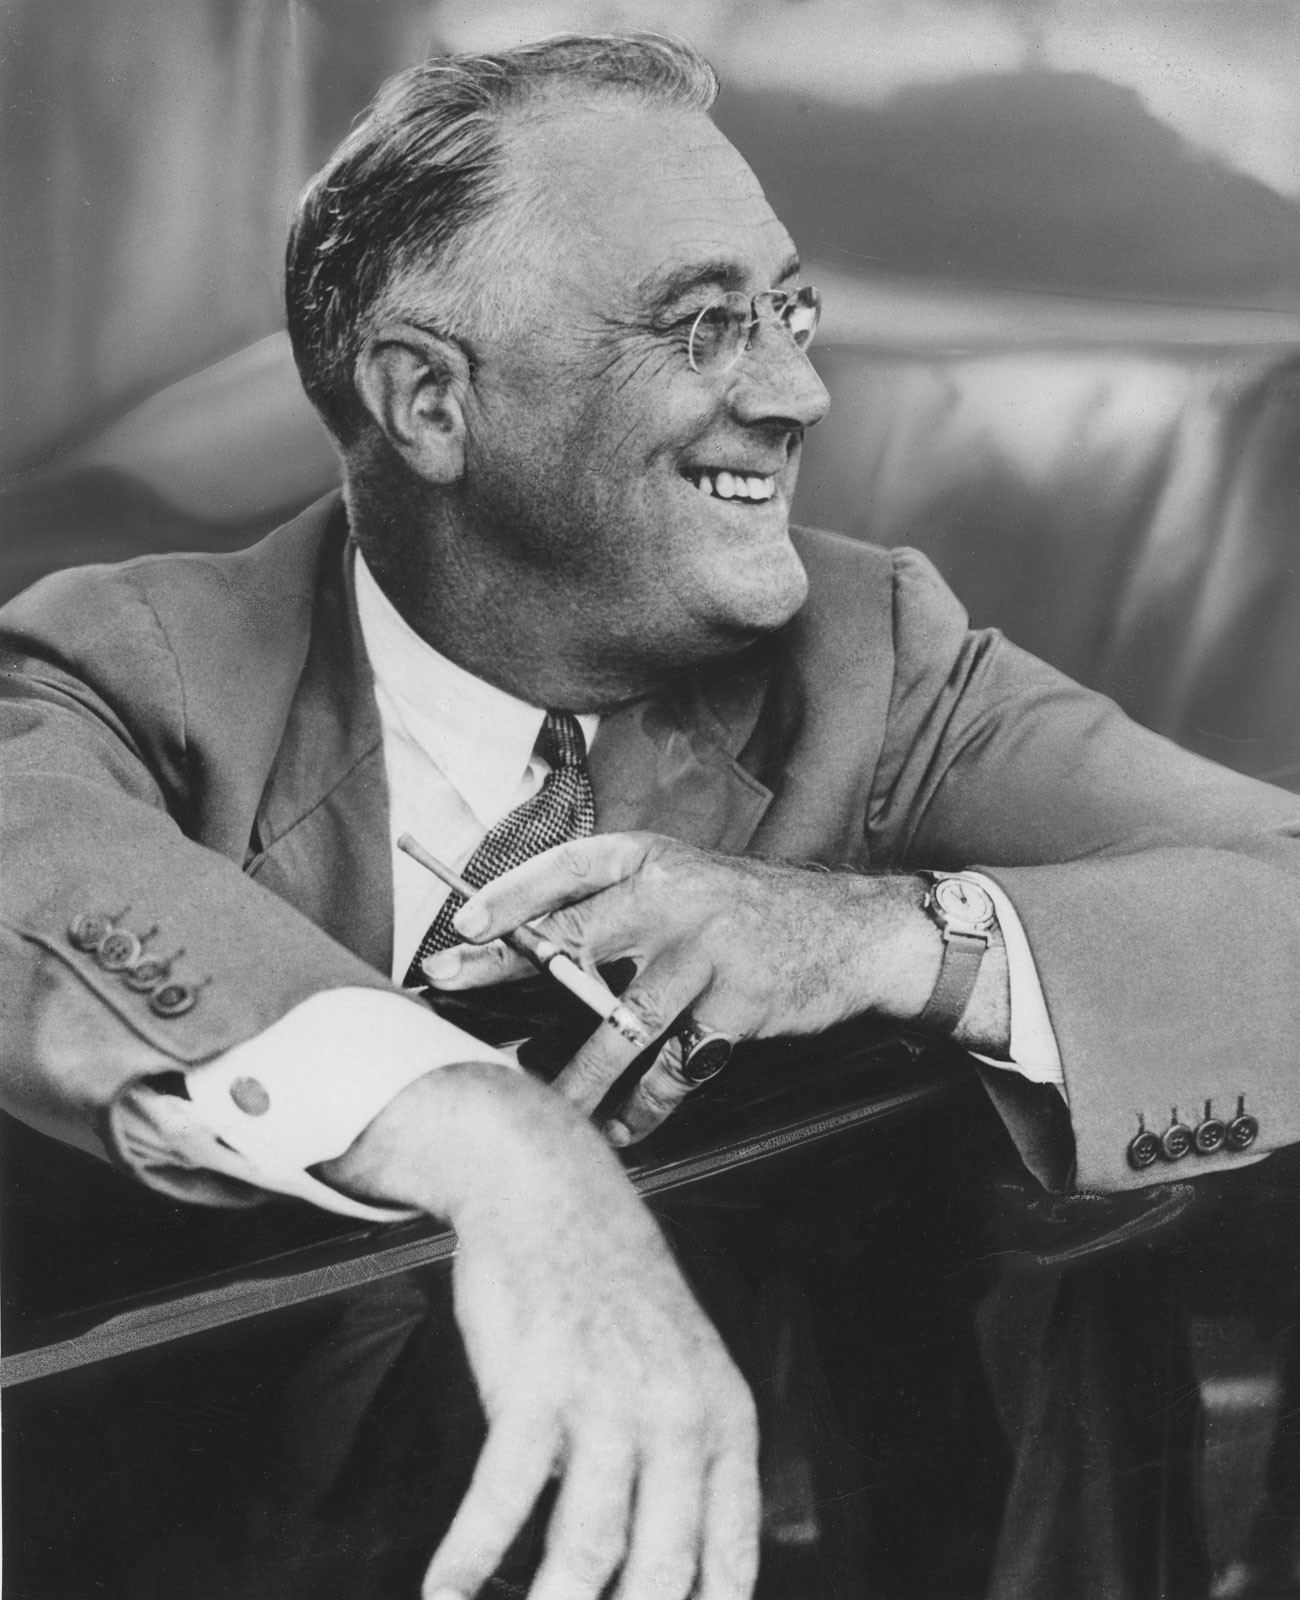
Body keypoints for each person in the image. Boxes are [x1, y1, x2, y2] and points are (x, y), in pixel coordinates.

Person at [4, 30, 1300, 1600]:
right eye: (704, 326)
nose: (802, 391)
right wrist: (498, 1145)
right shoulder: (137, 666)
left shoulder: (870, 653)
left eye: (790, 311)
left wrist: (886, 939)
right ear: (429, 400)